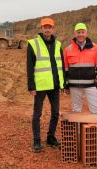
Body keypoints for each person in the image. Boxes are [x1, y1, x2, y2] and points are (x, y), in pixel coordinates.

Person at [64, 22, 97, 148]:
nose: (80, 34)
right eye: (78, 32)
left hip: (90, 86)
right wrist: (66, 86)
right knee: (76, 111)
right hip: (74, 87)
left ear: (86, 33)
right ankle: (77, 137)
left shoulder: (95, 48)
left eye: (82, 32)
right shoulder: (68, 49)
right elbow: (65, 69)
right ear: (75, 34)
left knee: (96, 110)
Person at [26, 18, 65, 153]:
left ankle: (50, 137)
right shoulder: (33, 44)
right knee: (37, 114)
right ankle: (37, 141)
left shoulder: (58, 44)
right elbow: (30, 67)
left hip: (54, 85)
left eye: (50, 27)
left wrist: (62, 83)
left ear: (53, 28)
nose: (47, 29)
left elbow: (61, 65)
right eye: (45, 27)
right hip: (41, 85)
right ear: (41, 28)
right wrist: (31, 86)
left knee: (55, 113)